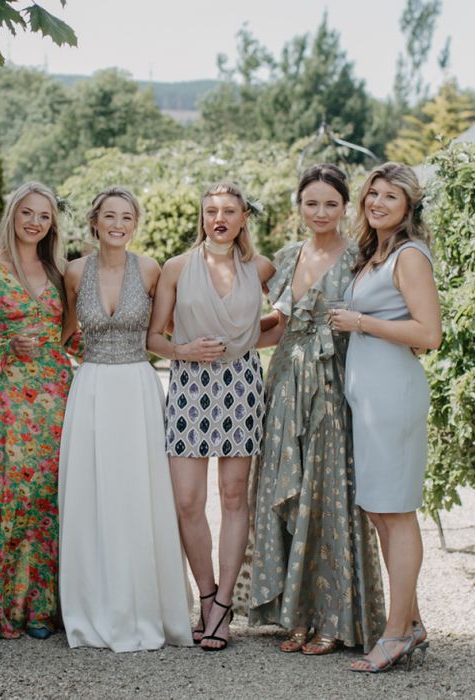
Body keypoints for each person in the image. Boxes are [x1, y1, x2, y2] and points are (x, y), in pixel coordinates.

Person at [248, 164, 386, 655]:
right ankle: (297, 616)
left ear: (345, 207)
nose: (321, 212)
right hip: (284, 383)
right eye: (312, 203)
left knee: (328, 495)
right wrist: (228, 340)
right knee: (290, 491)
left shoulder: (363, 258)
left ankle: (335, 616)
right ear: (299, 206)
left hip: (333, 384)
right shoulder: (287, 257)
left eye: (331, 203)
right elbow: (278, 325)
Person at [58, 187, 192, 652]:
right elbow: (65, 333)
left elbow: (163, 332)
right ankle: (92, 609)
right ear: (94, 221)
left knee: (140, 497)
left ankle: (148, 607)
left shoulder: (151, 269)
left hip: (137, 388)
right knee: (92, 498)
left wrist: (185, 351)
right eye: (110, 216)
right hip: (91, 388)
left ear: (136, 224)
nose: (118, 224)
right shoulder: (74, 272)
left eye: (127, 217)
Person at [147, 182, 274, 652]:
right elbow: (153, 337)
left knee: (234, 495)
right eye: (210, 211)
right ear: (201, 218)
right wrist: (184, 350)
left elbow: (278, 322)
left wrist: (249, 342)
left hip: (241, 386)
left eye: (229, 211)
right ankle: (205, 595)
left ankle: (223, 608)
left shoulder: (260, 268)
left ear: (243, 218)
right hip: (189, 386)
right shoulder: (177, 268)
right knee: (186, 501)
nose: (219, 218)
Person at [330, 162, 441, 672]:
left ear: (408, 207)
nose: (376, 203)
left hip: (393, 400)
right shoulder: (375, 255)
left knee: (396, 512)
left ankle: (395, 634)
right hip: (369, 402)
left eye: (389, 197)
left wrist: (361, 322)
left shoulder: (411, 256)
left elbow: (429, 334)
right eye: (372, 194)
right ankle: (411, 621)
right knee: (380, 511)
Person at [0, 182, 73, 640]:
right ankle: (8, 607)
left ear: (52, 224)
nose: (35, 222)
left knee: (50, 499)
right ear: (12, 215)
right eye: (27, 213)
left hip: (57, 394)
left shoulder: (61, 271)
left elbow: (76, 334)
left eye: (44, 216)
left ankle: (44, 607)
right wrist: (7, 344)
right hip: (12, 396)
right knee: (12, 496)